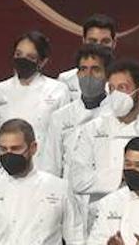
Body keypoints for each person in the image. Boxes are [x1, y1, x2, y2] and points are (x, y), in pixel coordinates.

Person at [68, 59, 139, 203]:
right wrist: (119, 177)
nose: (116, 94)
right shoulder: (93, 129)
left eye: (122, 88)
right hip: (101, 213)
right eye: (112, 88)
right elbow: (77, 179)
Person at [0, 31, 70, 158]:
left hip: (44, 166)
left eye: (30, 57)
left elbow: (64, 136)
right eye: (19, 54)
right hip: (6, 167)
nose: (23, 60)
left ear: (42, 61)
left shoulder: (58, 90)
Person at [41, 45, 111, 179]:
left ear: (107, 75)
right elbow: (50, 166)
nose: (88, 75)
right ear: (77, 74)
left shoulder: (118, 114)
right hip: (69, 193)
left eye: (95, 69)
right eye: (83, 69)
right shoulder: (60, 117)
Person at [55, 14, 118, 103]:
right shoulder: (65, 79)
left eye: (105, 41)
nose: (98, 46)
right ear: (84, 41)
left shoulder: (124, 81)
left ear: (114, 43)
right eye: (93, 41)